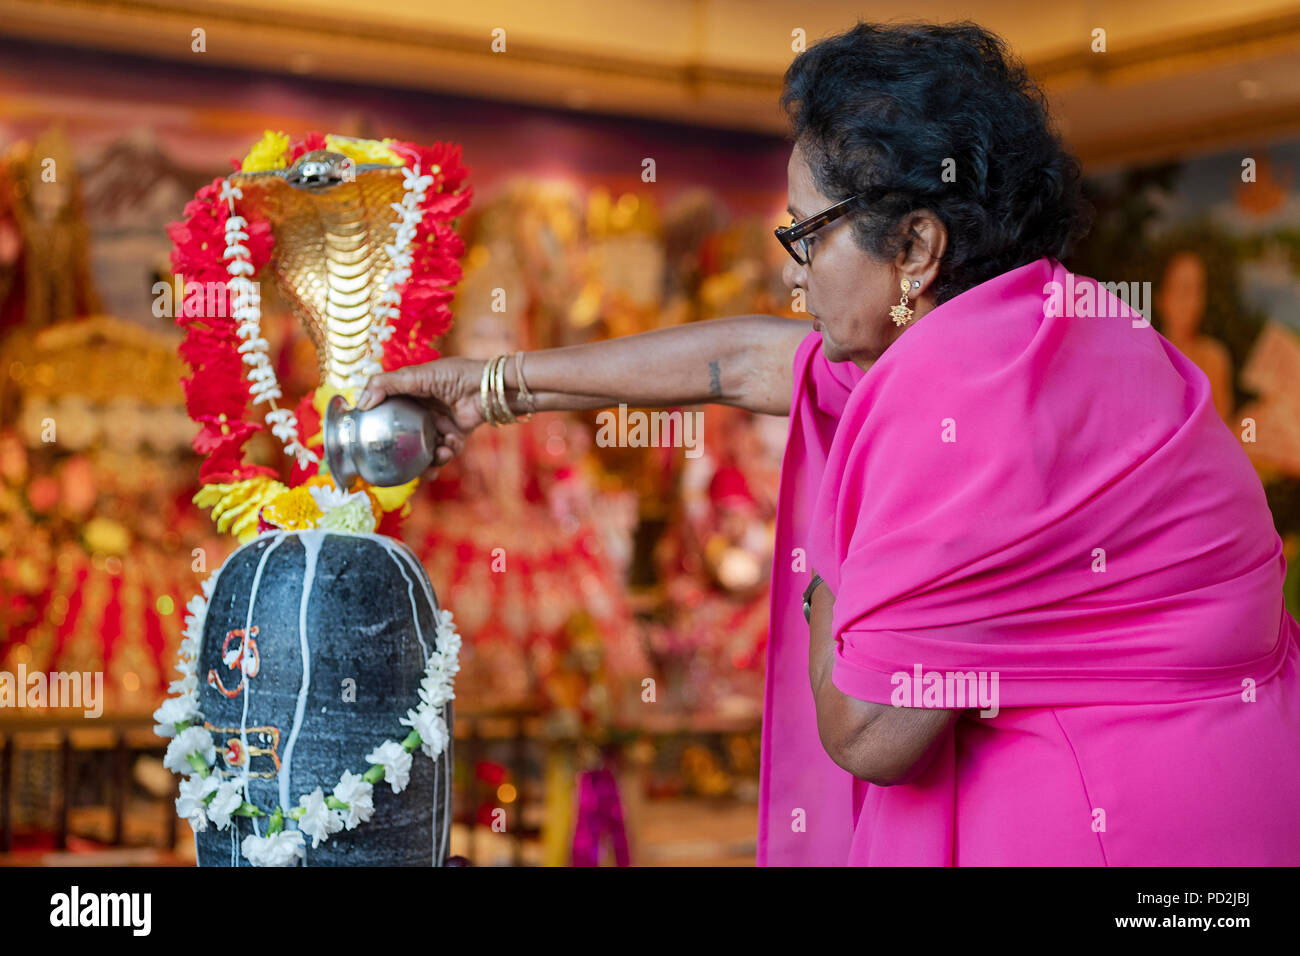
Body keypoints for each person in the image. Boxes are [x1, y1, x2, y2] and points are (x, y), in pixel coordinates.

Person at [356, 21, 1300, 865]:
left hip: (1117, 824)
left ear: (917, 247)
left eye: (808, 232)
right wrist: (490, 389)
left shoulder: (971, 402)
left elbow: (870, 732)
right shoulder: (1051, 323)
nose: (790, 267)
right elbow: (744, 363)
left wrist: (825, 574)